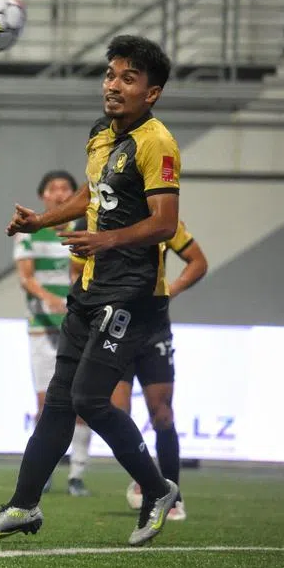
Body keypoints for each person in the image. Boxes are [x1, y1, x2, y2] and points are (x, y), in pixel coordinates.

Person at [0, 35, 181, 546]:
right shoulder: (101, 135)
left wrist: (104, 238)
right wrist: (41, 221)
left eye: (128, 78)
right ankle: (23, 506)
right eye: (110, 75)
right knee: (59, 404)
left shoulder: (158, 143)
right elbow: (93, 194)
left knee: (89, 397)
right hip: (90, 289)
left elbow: (165, 222)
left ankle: (156, 490)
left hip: (130, 294)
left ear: (151, 93)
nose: (113, 85)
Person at [105, 221, 208, 520]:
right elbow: (78, 270)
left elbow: (198, 262)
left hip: (153, 330)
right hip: (116, 328)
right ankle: (146, 479)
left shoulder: (166, 222)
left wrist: (170, 290)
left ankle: (172, 495)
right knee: (116, 413)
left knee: (162, 413)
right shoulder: (106, 218)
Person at [13, 170, 93, 497]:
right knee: (45, 402)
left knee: (83, 401)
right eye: (52, 189)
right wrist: (53, 301)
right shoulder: (29, 232)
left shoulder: (84, 230)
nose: (59, 195)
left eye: (65, 189)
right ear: (43, 195)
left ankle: (77, 473)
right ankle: (43, 471)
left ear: (75, 195)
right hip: (42, 327)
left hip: (79, 327)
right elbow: (26, 278)